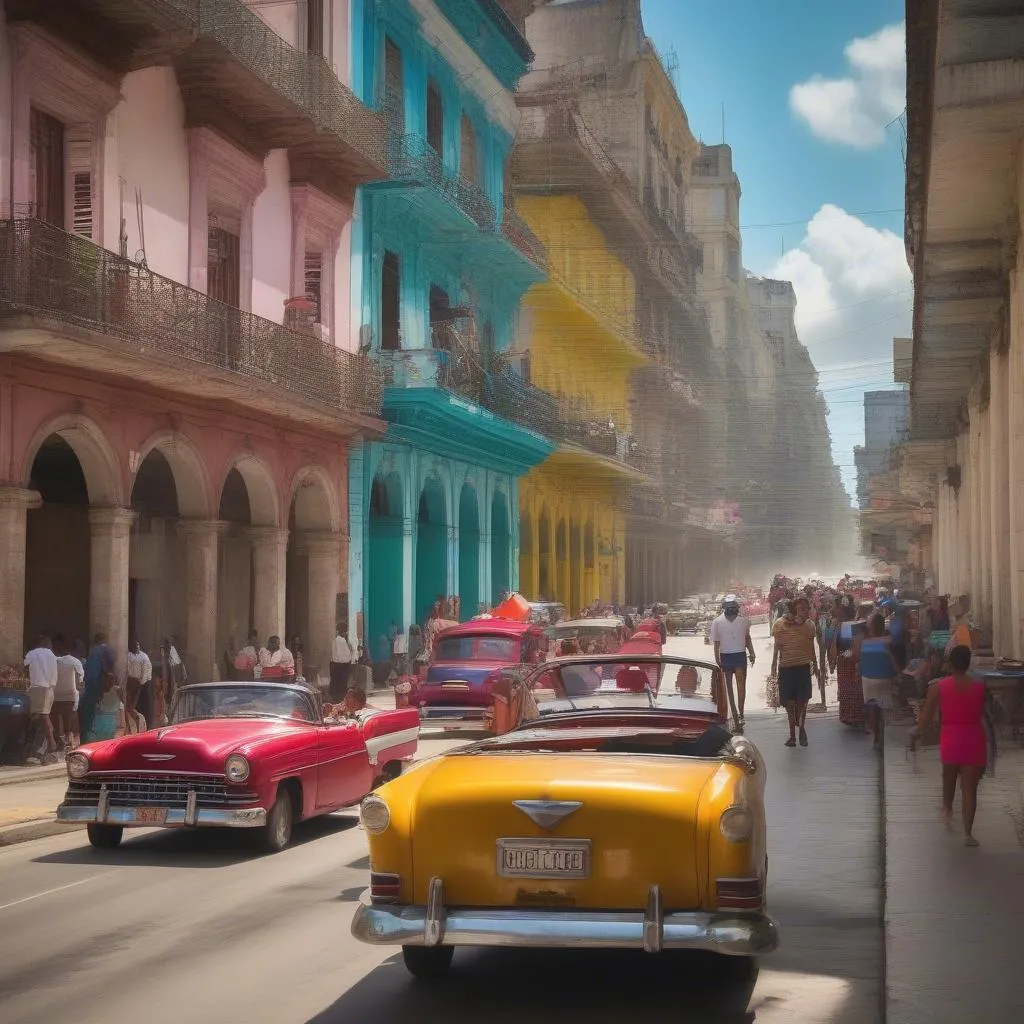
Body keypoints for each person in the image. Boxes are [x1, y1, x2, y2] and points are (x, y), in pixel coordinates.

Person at [911, 645, 990, 847]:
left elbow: (927, 715)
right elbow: (986, 715)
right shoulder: (980, 686)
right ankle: (968, 834)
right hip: (974, 737)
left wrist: (917, 734)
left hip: (951, 737)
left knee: (949, 776)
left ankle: (947, 808)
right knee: (969, 788)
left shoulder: (939, 686)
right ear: (969, 662)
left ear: (950, 664)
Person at [770, 595, 820, 747]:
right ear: (794, 610)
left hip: (803, 668)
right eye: (801, 609)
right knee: (789, 704)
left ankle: (802, 728)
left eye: (806, 609)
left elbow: (811, 647)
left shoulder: (810, 626)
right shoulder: (779, 625)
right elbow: (777, 647)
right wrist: (773, 666)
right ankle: (792, 735)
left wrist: (816, 666)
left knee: (803, 702)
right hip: (786, 669)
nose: (805, 612)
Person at [709, 594, 755, 733]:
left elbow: (746, 638)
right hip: (729, 656)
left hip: (735, 655)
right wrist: (717, 657)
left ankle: (739, 714)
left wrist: (751, 652)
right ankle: (737, 714)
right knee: (734, 688)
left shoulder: (741, 621)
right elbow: (716, 643)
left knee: (737, 688)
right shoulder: (719, 622)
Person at [855, 613, 898, 752]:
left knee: (872, 709)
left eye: (868, 622)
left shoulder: (864, 642)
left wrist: (858, 673)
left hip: (868, 680)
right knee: (883, 709)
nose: (867, 624)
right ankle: (882, 736)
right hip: (885, 679)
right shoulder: (889, 640)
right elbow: (893, 660)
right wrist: (898, 672)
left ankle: (877, 737)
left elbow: (857, 659)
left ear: (872, 626)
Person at [24, 635, 59, 756]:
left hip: (37, 687)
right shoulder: (52, 655)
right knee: (42, 715)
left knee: (42, 716)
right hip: (50, 688)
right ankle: (40, 744)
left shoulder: (32, 653)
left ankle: (51, 742)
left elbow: (25, 666)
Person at [52, 634, 84, 749]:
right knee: (69, 719)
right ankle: (69, 740)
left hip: (55, 695)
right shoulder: (76, 662)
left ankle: (58, 740)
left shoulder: (54, 661)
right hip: (70, 696)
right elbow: (80, 681)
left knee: (55, 718)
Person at [125, 639, 153, 728]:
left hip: (142, 684)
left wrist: (141, 683)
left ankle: (145, 725)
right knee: (131, 705)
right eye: (134, 646)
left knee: (142, 706)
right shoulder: (128, 656)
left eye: (137, 645)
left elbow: (146, 671)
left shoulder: (144, 657)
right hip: (131, 683)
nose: (136, 647)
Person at [330, 625, 353, 700]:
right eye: (345, 631)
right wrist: (348, 660)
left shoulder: (335, 640)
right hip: (341, 665)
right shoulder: (341, 640)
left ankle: (336, 698)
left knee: (335, 684)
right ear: (343, 632)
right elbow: (343, 655)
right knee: (341, 685)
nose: (346, 633)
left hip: (335, 665)